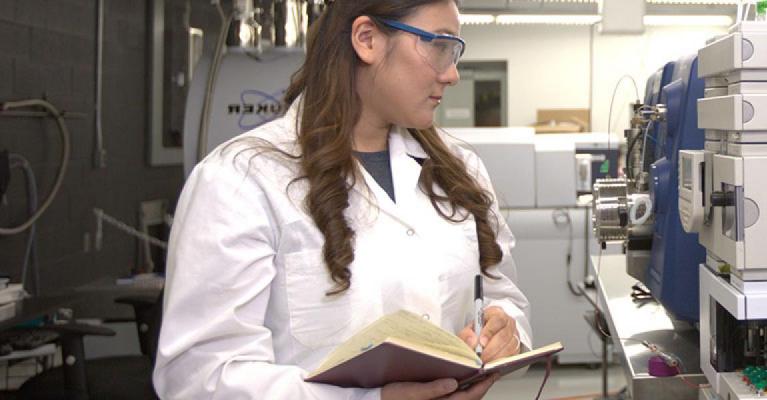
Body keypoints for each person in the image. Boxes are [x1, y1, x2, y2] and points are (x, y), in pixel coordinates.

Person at [153, 1, 531, 398]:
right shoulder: (241, 180)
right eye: (440, 46)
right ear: (367, 40)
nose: (452, 74)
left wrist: (505, 330)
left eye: (455, 51)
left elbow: (500, 293)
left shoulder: (459, 169)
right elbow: (199, 378)